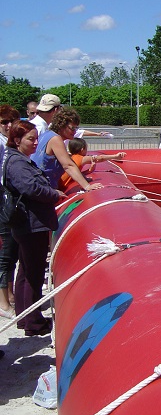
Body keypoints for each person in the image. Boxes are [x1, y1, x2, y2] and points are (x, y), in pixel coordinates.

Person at [4, 120, 65, 336]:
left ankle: (24, 315)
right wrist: (53, 194)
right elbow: (30, 188)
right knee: (34, 273)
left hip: (28, 224)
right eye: (31, 139)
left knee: (26, 271)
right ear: (17, 139)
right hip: (31, 224)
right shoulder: (17, 163)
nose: (35, 143)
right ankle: (33, 321)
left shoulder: (17, 159)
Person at [31, 107, 103, 192]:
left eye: (76, 128)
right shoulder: (55, 139)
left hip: (37, 184)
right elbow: (68, 165)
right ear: (61, 125)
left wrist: (83, 177)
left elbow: (68, 161)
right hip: (42, 188)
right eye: (72, 128)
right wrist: (87, 186)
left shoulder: (47, 134)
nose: (75, 132)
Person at [0, 106, 21, 318]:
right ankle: (4, 303)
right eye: (4, 122)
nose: (8, 125)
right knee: (5, 255)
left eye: (11, 122)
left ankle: (10, 296)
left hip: (7, 202)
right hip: (3, 204)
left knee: (11, 253)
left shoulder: (6, 145)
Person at [59, 138, 126, 188]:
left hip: (59, 184)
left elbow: (74, 174)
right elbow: (100, 158)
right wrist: (115, 156)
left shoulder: (70, 158)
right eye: (86, 149)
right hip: (62, 185)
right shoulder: (81, 158)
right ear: (82, 149)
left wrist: (89, 171)